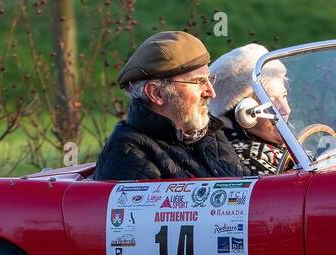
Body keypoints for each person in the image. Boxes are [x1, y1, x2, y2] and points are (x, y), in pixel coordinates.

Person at [93, 31, 246, 181]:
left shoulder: (209, 134)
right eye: (198, 81)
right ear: (156, 93)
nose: (211, 92)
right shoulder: (128, 154)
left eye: (209, 79)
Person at [208, 43, 291, 175]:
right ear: (242, 113)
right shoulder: (242, 159)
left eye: (284, 96)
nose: (286, 110)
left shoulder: (288, 146)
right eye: (271, 100)